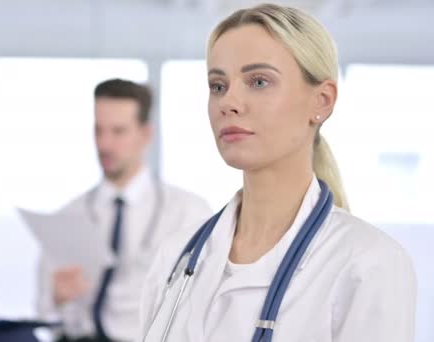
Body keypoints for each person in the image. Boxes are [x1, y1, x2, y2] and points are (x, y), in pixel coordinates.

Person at [138, 4, 417, 342]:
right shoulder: (175, 256)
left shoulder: (369, 263)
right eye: (218, 85)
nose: (230, 102)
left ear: (322, 101)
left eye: (258, 81)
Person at [37, 79, 212, 342]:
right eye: (98, 130)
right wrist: (56, 298)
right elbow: (43, 313)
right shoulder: (68, 216)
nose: (105, 145)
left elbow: (204, 304)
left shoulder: (187, 213)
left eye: (118, 132)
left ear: (145, 135)